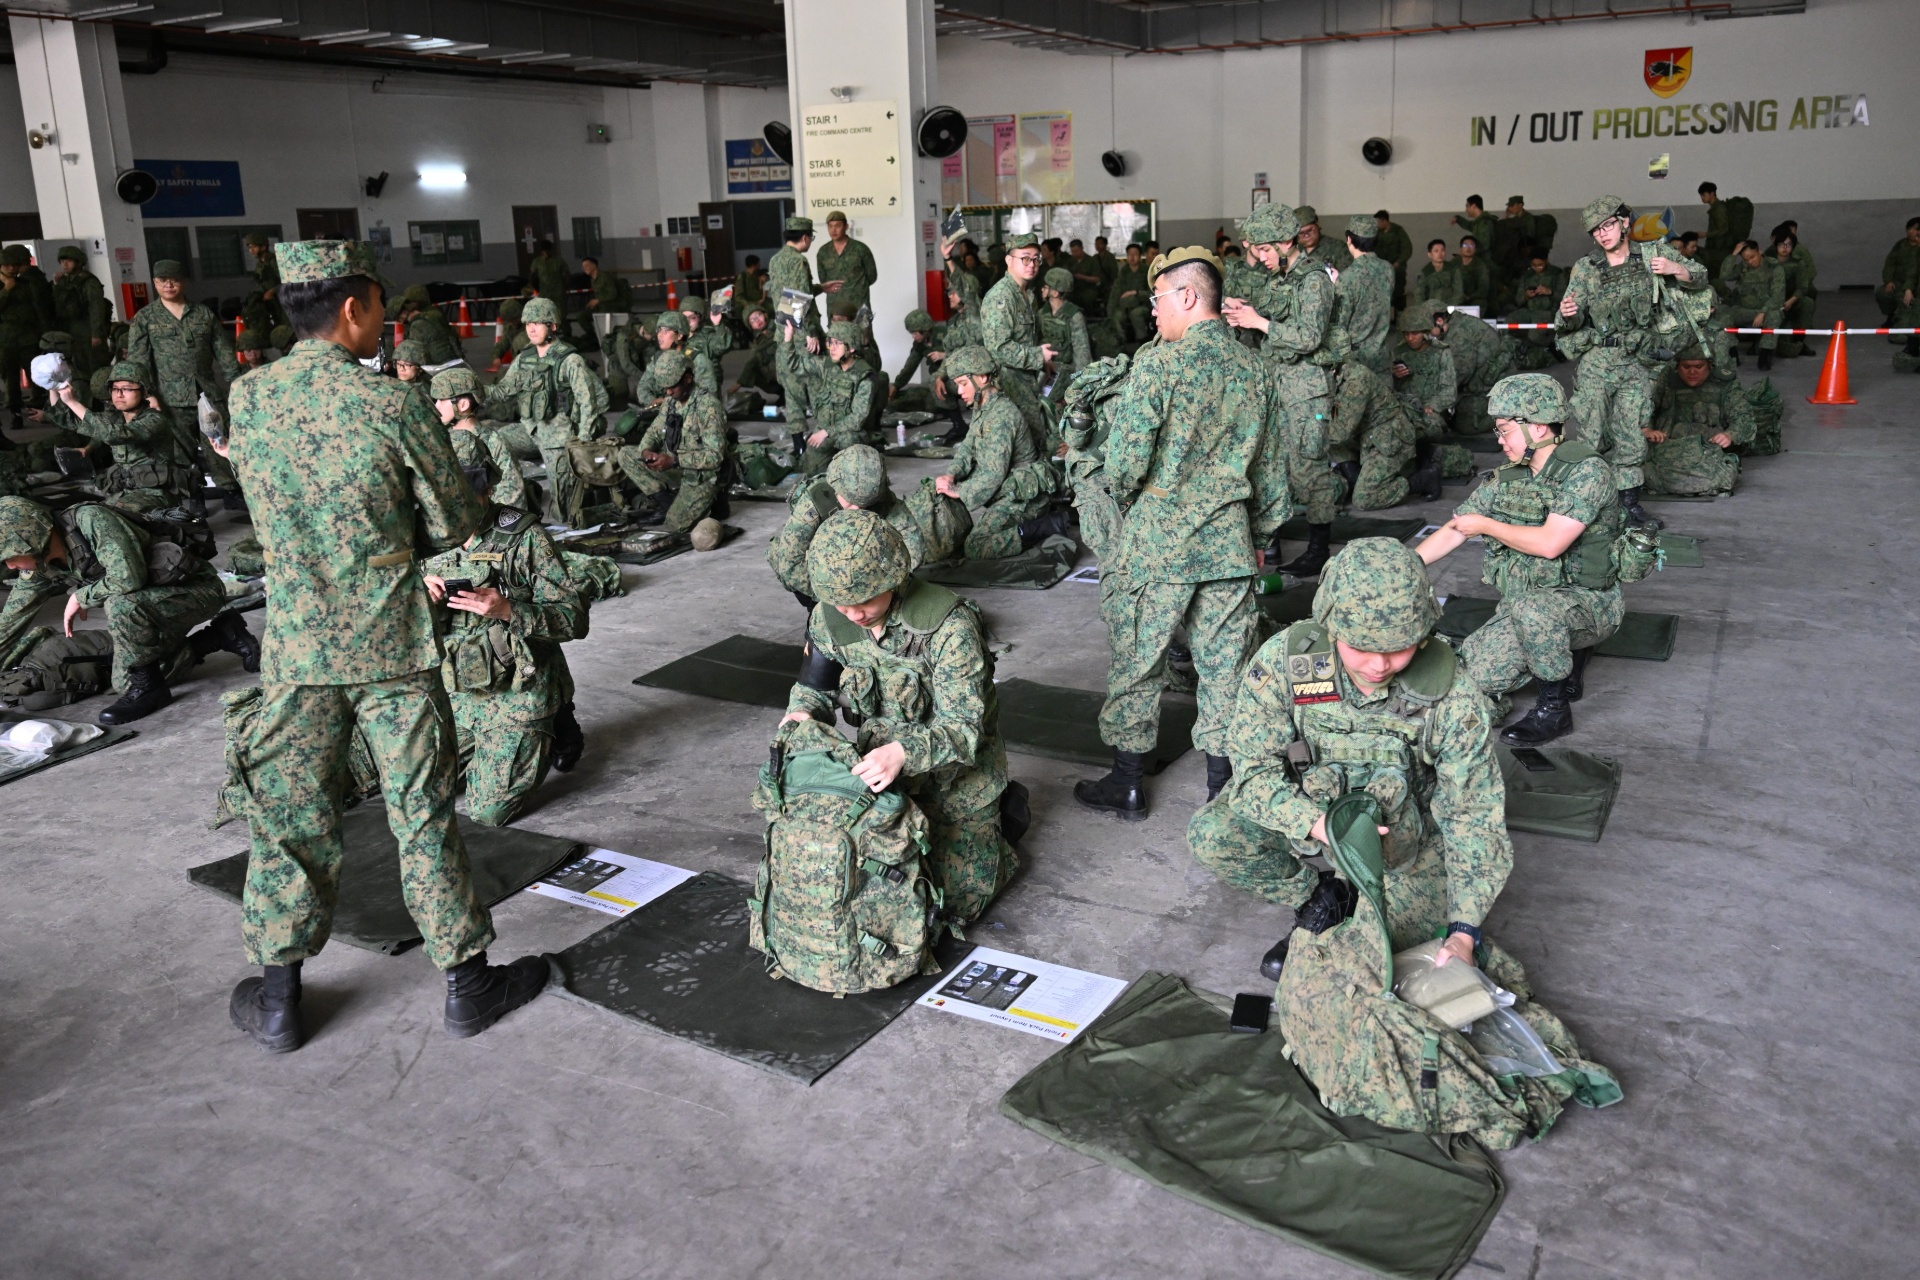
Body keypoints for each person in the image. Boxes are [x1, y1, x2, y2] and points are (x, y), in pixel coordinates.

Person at [223, 239, 545, 1054]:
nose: (382, 322)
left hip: (297, 647)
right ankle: (468, 985)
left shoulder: (249, 397)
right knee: (422, 815)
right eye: (376, 305)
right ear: (351, 308)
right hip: (391, 645)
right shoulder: (392, 404)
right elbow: (455, 522)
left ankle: (279, 999)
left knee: (289, 815)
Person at [1186, 536, 1509, 979]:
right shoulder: (1289, 662)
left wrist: (1463, 932)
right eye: (1361, 647)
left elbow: (1473, 815)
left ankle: (1364, 904)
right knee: (1213, 833)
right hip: (1313, 819)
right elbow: (1252, 774)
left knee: (1384, 959)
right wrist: (1318, 824)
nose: (1378, 665)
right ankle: (1321, 897)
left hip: (1406, 842)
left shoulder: (1452, 692)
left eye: (1398, 648)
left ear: (1423, 634)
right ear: (1331, 628)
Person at [1076, 247, 1287, 820]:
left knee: (1138, 661)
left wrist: (1133, 504)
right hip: (1229, 542)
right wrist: (1260, 535)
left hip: (1159, 546)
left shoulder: (1159, 365)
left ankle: (1127, 784)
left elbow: (1124, 465)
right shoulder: (1256, 369)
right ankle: (1224, 794)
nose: (1153, 310)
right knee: (1226, 668)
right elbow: (1271, 472)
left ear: (1188, 296)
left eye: (1157, 298)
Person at [782, 508, 1019, 926]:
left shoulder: (948, 626)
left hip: (955, 783)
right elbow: (814, 689)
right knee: (853, 893)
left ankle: (1003, 820)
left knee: (949, 910)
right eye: (842, 603)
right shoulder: (831, 617)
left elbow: (965, 729)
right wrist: (800, 715)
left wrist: (902, 754)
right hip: (875, 774)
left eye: (865, 600)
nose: (853, 614)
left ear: (893, 578)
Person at [1416, 373, 1624, 746]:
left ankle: (1554, 710)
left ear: (1538, 427)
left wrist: (1487, 525)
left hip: (1590, 604)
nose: (1499, 440)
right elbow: (1458, 528)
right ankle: (1566, 652)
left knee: (1535, 609)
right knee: (1475, 672)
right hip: (1525, 605)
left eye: (1504, 430)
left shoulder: (1587, 473)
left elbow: (1550, 544)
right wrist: (1407, 564)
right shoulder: (1509, 477)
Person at [0, 491, 250, 722]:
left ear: (31, 539)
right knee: (125, 678)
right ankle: (220, 635)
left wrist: (79, 596)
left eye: (10, 556)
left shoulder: (91, 521)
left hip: (196, 591)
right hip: (149, 606)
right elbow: (9, 622)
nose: (9, 566)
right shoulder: (41, 568)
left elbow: (128, 578)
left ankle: (150, 690)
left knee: (120, 606)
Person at [422, 484, 588, 826]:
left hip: (518, 691)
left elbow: (574, 619)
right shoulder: (425, 535)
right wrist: (419, 599)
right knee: (412, 789)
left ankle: (553, 718)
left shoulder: (525, 537)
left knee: (487, 812)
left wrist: (510, 610)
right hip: (459, 691)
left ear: (485, 487)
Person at [1555, 194, 1706, 530]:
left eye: (1607, 225)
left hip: (1638, 359)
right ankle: (1589, 504)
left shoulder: (1653, 254)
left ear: (1624, 222)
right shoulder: (1586, 267)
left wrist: (1675, 268)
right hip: (1598, 360)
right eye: (1595, 230)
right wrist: (1567, 314)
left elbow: (1700, 277)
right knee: (1591, 434)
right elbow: (1567, 320)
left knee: (1631, 434)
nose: (1602, 234)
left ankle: (1629, 505)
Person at [1222, 204, 1341, 577]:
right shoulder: (1281, 277)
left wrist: (1259, 323)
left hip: (1306, 389)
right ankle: (1270, 542)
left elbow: (1309, 336)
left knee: (1311, 470)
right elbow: (1269, 310)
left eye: (1265, 249)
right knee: (1274, 466)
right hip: (1277, 383)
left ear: (1285, 242)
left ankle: (1318, 549)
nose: (1261, 257)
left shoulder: (1314, 279)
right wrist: (1240, 310)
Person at [768, 444, 967, 608]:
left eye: (865, 504)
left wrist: (887, 584)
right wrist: (833, 600)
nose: (857, 510)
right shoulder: (813, 504)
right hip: (817, 569)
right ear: (835, 486)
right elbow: (790, 563)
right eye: (850, 502)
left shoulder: (878, 495)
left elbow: (910, 535)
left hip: (853, 556)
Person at [124, 258, 242, 507]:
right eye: (163, 280)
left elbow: (223, 351)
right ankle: (192, 497)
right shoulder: (145, 318)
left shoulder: (203, 314)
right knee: (179, 452)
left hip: (206, 393)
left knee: (218, 442)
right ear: (155, 283)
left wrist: (237, 384)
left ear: (184, 282)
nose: (169, 285)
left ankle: (231, 491)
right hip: (169, 398)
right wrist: (148, 394)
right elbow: (138, 361)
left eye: (174, 280)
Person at [484, 295, 608, 526]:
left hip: (560, 439)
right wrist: (472, 389)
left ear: (552, 326)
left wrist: (582, 442)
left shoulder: (570, 360)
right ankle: (522, 497)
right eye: (528, 323)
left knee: (564, 513)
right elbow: (503, 391)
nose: (531, 329)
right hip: (532, 430)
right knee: (494, 441)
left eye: (538, 323)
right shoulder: (525, 358)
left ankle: (595, 501)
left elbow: (589, 402)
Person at [935, 347, 1063, 559]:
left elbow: (993, 474)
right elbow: (968, 446)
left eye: (963, 383)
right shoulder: (983, 405)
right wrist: (951, 474)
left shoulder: (1001, 415)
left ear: (983, 377)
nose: (959, 391)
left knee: (976, 546)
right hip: (1008, 488)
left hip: (1024, 497)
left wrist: (960, 490)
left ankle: (1045, 526)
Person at [36, 361, 198, 512]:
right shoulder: (116, 419)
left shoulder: (155, 420)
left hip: (155, 495)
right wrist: (54, 387)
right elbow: (68, 420)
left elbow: (115, 435)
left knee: (102, 515)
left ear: (144, 391)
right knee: (78, 514)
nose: (119, 395)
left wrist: (73, 402)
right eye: (115, 389)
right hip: (125, 492)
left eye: (127, 389)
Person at [616, 350, 731, 531]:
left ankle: (716, 497)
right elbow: (653, 432)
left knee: (675, 525)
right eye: (665, 388)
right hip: (676, 468)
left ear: (687, 379)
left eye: (672, 387)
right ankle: (666, 504)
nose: (668, 392)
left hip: (702, 476)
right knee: (625, 455)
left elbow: (715, 456)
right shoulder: (670, 402)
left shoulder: (708, 407)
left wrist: (675, 461)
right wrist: (647, 451)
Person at [979, 233, 1057, 452]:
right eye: (1025, 258)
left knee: (1036, 441)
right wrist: (1037, 356)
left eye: (1036, 259)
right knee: (1022, 447)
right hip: (1008, 384)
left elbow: (1029, 338)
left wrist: (1043, 361)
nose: (1031, 264)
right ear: (1008, 260)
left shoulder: (1026, 294)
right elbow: (999, 348)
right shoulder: (1001, 297)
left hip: (1027, 380)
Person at [1642, 345, 1754, 495]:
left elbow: (1744, 418)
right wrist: (1647, 429)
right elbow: (1643, 409)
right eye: (1686, 367)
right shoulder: (1666, 380)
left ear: (1709, 366)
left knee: (1722, 476)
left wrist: (1730, 435)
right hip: (1667, 449)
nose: (1692, 372)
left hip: (1708, 451)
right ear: (1677, 366)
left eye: (1699, 367)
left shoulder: (1725, 385)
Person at [1328, 359, 1435, 510]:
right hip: (1366, 438)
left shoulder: (1356, 380)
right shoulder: (1331, 378)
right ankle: (1356, 476)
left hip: (1389, 440)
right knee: (1331, 443)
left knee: (1364, 498)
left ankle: (1422, 480)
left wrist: (1306, 432)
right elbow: (1325, 416)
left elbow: (1340, 432)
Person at [779, 317, 880, 476]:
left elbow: (857, 418)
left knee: (849, 451)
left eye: (837, 343)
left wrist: (826, 432)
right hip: (825, 430)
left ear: (851, 347)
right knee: (810, 472)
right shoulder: (826, 364)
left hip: (850, 433)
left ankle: (859, 465)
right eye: (830, 343)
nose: (832, 348)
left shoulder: (864, 376)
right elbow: (794, 365)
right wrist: (788, 337)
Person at [432, 367, 534, 512]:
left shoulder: (493, 443)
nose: (436, 406)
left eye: (442, 400)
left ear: (463, 405)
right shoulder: (440, 438)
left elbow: (512, 497)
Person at [768, 216, 821, 422]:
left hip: (784, 332)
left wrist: (820, 288)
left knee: (792, 389)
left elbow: (787, 293)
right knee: (816, 384)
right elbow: (800, 297)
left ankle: (797, 436)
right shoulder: (799, 261)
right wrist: (811, 332)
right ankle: (822, 432)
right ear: (805, 237)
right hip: (802, 334)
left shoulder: (775, 260)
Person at [1431, 304, 1512, 435]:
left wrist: (1435, 397)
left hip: (1493, 385)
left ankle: (1507, 413)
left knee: (1467, 425)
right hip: (1482, 379)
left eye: (1427, 329)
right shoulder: (1457, 323)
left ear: (1439, 321)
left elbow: (1460, 372)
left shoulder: (1458, 333)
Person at [0, 245, 53, 427]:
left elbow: (38, 309)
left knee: (36, 374)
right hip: (6, 338)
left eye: (14, 265)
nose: (11, 268)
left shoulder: (25, 284)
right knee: (11, 379)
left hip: (27, 336)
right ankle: (15, 413)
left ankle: (40, 408)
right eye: (7, 265)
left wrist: (44, 333)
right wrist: (6, 290)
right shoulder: (5, 286)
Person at [1338, 215, 1395, 374]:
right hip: (1382, 356)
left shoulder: (1347, 277)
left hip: (1356, 361)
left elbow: (1340, 324)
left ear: (1349, 239)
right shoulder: (1388, 269)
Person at [1717, 240, 1784, 371]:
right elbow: (1724, 275)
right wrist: (1733, 255)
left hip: (1765, 311)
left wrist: (1763, 311)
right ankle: (1732, 354)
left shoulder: (1774, 268)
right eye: (1746, 259)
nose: (1750, 261)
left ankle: (1765, 356)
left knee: (1775, 316)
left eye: (1752, 257)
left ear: (1759, 252)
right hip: (1743, 310)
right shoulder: (1742, 267)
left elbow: (1778, 296)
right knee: (1724, 315)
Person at [1391, 307, 1458, 438]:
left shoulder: (1441, 352)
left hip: (1431, 411)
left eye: (1415, 333)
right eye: (1406, 334)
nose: (1410, 338)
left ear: (1425, 332)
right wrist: (1393, 376)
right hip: (1404, 407)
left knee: (1424, 430)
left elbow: (1449, 390)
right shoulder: (1398, 352)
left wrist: (1432, 406)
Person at [51, 245, 110, 385]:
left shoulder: (89, 282)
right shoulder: (65, 281)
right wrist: (56, 284)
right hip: (73, 329)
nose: (65, 265)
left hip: (87, 328)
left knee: (95, 365)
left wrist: (96, 333)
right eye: (62, 261)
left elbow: (96, 307)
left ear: (78, 262)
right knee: (79, 366)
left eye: (69, 261)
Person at [1038, 267, 1093, 412]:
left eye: (1046, 287)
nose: (1042, 289)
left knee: (1044, 398)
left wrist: (1080, 384)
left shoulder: (1074, 316)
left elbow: (1082, 352)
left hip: (1065, 369)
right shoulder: (1042, 313)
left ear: (1055, 292)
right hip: (1045, 367)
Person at [1507, 247, 1566, 369]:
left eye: (1540, 265)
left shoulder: (1557, 274)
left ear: (1546, 261)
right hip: (1530, 311)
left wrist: (1550, 292)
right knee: (1509, 322)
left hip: (1548, 312)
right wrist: (1526, 296)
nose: (1537, 268)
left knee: (1534, 335)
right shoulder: (1527, 276)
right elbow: (1518, 300)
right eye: (1534, 265)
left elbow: (1565, 298)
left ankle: (1548, 345)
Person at [814, 211, 877, 316]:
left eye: (837, 226)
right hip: (835, 308)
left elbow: (872, 276)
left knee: (862, 327)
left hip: (858, 305)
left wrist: (856, 288)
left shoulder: (860, 249)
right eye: (830, 226)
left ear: (846, 227)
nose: (833, 230)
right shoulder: (823, 252)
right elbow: (823, 279)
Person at [728, 305, 783, 416]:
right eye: (752, 320)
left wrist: (739, 383)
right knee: (754, 372)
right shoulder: (759, 339)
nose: (757, 320)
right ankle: (784, 393)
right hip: (781, 373)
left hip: (793, 369)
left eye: (758, 315)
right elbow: (752, 361)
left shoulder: (779, 326)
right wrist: (740, 383)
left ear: (765, 314)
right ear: (751, 326)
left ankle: (797, 394)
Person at [395, 285, 463, 367]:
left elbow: (415, 349)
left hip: (439, 362)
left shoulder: (420, 320)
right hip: (450, 357)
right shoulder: (434, 312)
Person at [1877, 218, 1920, 327]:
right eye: (1909, 228)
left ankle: (1905, 322)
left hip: (1915, 285)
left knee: (1906, 301)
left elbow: (1914, 271)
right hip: (1899, 282)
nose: (1911, 232)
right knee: (1883, 294)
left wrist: (1908, 288)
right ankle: (1892, 316)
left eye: (1915, 229)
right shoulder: (1901, 245)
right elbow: (1890, 264)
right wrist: (1888, 280)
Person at [242, 232, 287, 338]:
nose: (251, 250)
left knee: (286, 328)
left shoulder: (274, 261)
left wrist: (272, 291)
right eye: (249, 248)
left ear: (263, 247)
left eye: (254, 247)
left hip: (283, 301)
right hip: (272, 303)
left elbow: (287, 282)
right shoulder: (260, 264)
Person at [1108, 242, 1154, 344]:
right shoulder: (1123, 272)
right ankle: (1121, 342)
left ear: (1140, 256)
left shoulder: (1146, 271)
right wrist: (1110, 313)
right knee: (1118, 316)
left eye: (1135, 254)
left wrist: (1137, 293)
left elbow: (1152, 293)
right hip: (1125, 306)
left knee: (1136, 314)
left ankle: (1142, 342)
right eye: (1129, 254)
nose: (1132, 257)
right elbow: (1115, 294)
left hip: (1143, 305)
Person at [1373, 210, 1414, 310]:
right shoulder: (1376, 233)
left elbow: (1407, 248)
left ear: (1384, 221)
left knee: (1398, 290)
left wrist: (1398, 262)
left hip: (1396, 267)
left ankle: (1399, 313)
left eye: (1378, 222)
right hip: (1381, 267)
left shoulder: (1398, 231)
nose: (1376, 225)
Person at [528, 239, 571, 327]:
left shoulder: (558, 261)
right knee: (546, 316)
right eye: (544, 251)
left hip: (558, 293)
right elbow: (533, 276)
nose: (546, 253)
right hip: (544, 293)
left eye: (547, 251)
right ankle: (551, 332)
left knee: (561, 315)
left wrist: (565, 288)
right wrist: (535, 288)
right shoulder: (537, 262)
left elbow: (567, 275)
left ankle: (566, 332)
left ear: (551, 250)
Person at [1413, 239, 1464, 309]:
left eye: (1442, 250)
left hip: (1451, 307)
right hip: (1431, 308)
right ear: (1429, 254)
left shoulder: (1453, 269)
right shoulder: (1425, 272)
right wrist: (1426, 309)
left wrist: (1449, 307)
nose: (1440, 254)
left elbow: (1458, 292)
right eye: (1436, 251)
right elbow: (1418, 295)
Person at [1452, 236, 1496, 313]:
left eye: (1472, 245)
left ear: (1475, 249)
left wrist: (1470, 297)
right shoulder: (1454, 263)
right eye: (1465, 245)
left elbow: (1483, 287)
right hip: (1456, 297)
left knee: (1480, 303)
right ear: (1461, 248)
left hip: (1473, 298)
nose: (1468, 248)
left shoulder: (1480, 265)